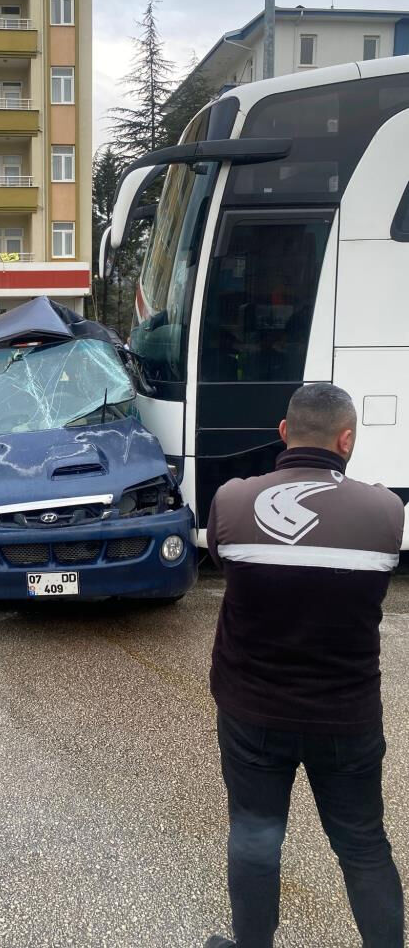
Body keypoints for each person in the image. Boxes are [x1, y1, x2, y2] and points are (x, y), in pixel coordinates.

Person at [203, 383, 405, 948]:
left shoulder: (233, 500)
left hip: (253, 714)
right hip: (347, 718)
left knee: (254, 838)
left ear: (285, 432)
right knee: (363, 845)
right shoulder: (386, 510)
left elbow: (226, 563)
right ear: (347, 440)